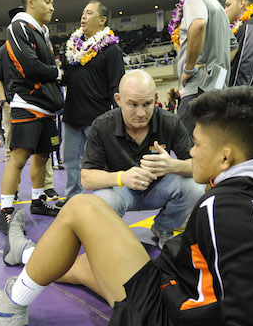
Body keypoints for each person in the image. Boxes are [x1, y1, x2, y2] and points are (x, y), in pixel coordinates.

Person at [0, 86, 253, 326]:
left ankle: (13, 303)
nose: (193, 152)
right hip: (178, 287)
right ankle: (28, 254)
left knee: (78, 209)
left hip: (170, 324)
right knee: (90, 266)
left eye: (198, 145)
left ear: (226, 156)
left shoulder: (229, 209)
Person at [80, 70, 204, 248]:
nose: (141, 113)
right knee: (102, 199)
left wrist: (172, 165)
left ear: (155, 98)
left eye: (147, 104)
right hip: (121, 191)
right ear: (118, 99)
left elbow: (198, 166)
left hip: (159, 188)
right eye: (132, 105)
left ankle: (163, 227)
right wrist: (122, 178)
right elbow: (86, 178)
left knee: (195, 187)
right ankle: (114, 233)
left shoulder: (170, 122)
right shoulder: (101, 126)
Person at [0, 0, 64, 234]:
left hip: (46, 107)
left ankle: (38, 201)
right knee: (19, 158)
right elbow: (30, 67)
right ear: (30, 1)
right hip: (28, 103)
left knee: (43, 155)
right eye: (47, 1)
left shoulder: (41, 32)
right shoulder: (18, 27)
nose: (52, 7)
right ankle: (5, 210)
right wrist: (56, 72)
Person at [58, 0, 125, 208]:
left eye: (88, 13)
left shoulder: (111, 50)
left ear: (102, 20)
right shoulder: (72, 49)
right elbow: (65, 79)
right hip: (72, 116)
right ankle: (73, 200)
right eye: (82, 13)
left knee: (100, 164)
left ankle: (105, 201)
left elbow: (117, 85)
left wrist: (119, 118)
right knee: (70, 162)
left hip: (98, 119)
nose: (83, 17)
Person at [0, 6, 60, 202]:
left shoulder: (42, 41)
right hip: (19, 103)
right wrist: (4, 101)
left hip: (43, 104)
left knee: (43, 153)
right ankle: (10, 198)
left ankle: (42, 193)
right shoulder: (6, 47)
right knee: (16, 154)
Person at [173, 0, 238, 135]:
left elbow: (199, 24)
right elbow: (233, 46)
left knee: (188, 148)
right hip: (218, 86)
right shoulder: (218, 7)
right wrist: (217, 66)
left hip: (198, 89)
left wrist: (189, 67)